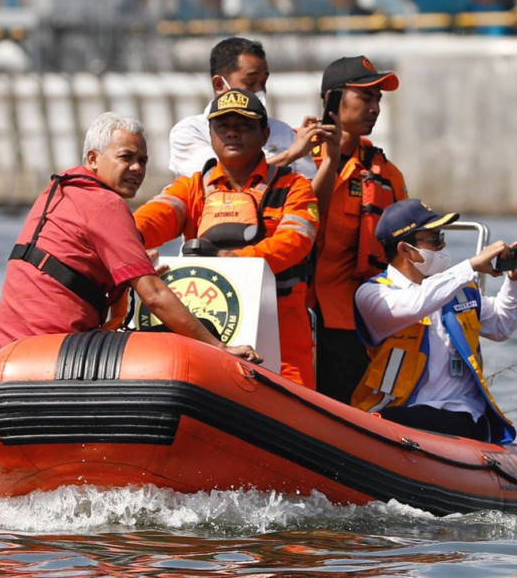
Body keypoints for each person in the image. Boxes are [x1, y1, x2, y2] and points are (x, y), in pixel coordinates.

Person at [0, 111, 262, 365]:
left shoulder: (58, 192)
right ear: (93, 159)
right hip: (53, 351)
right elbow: (153, 295)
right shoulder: (106, 204)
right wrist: (218, 347)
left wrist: (136, 269)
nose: (137, 169)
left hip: (6, 352)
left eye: (142, 160)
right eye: (126, 157)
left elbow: (72, 268)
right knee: (171, 343)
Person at [136, 89, 319, 387]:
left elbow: (296, 241)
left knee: (294, 413)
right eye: (223, 126)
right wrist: (126, 239)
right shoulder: (192, 187)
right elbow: (153, 217)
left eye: (244, 125)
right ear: (210, 134)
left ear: (265, 134)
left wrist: (235, 262)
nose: (232, 133)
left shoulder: (294, 186)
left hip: (283, 335)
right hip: (210, 328)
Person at [352, 199, 517, 444]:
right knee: (385, 425)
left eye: (442, 235)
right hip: (397, 412)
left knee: (446, 421)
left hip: (462, 414)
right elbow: (416, 303)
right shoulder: (373, 294)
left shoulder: (459, 290)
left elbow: (502, 326)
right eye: (434, 238)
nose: (443, 244)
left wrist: (515, 280)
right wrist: (470, 266)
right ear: (405, 250)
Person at [309, 55, 407, 403]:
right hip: (299, 313)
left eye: (378, 99)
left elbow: (406, 250)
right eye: (365, 97)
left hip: (358, 318)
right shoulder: (300, 156)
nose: (375, 107)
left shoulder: (387, 174)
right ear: (333, 100)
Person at [168, 36, 332, 181]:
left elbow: (309, 197)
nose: (259, 91)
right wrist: (289, 156)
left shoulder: (282, 132)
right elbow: (218, 180)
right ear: (219, 85)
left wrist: (333, 155)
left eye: (263, 82)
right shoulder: (190, 131)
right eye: (250, 82)